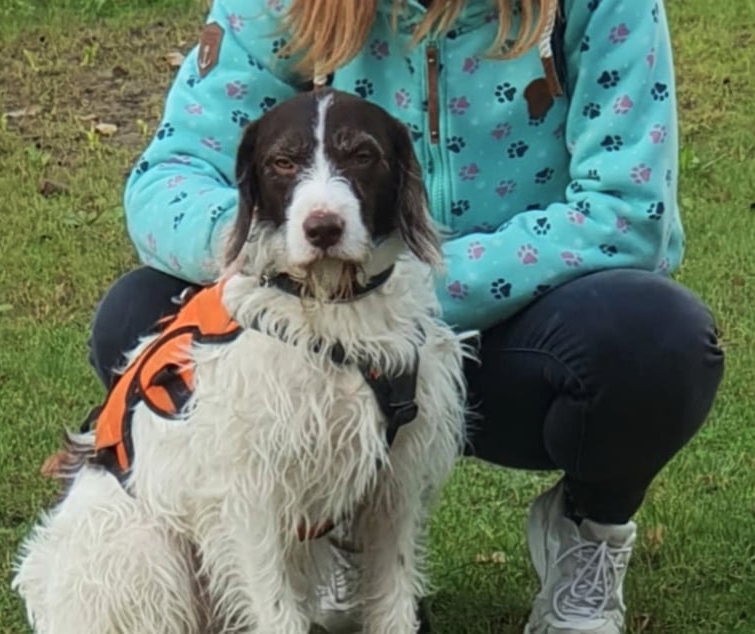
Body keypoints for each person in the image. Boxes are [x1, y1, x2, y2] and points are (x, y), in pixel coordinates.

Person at [88, 1, 725, 632]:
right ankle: (328, 532)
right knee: (141, 318)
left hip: (528, 329)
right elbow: (168, 177)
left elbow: (626, 212)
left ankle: (590, 526)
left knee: (656, 339)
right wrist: (270, 256)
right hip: (321, 331)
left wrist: (404, 279)